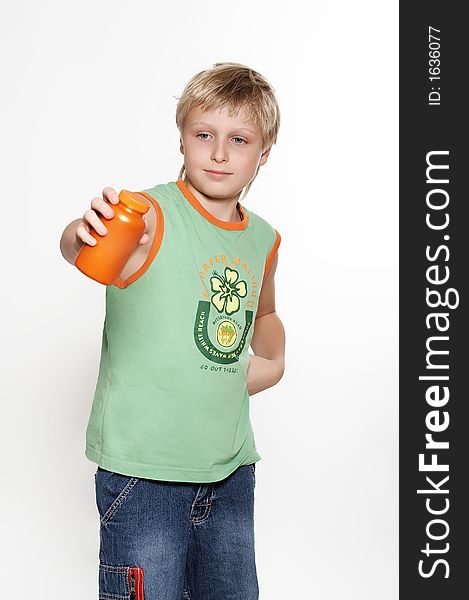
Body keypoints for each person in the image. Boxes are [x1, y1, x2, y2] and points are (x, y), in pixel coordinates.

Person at [60, 62, 285, 600]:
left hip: (230, 474)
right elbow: (79, 249)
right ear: (182, 138)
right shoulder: (150, 215)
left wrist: (271, 363)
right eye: (203, 135)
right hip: (145, 477)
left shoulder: (263, 240)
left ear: (264, 153)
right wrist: (82, 231)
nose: (220, 153)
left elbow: (264, 315)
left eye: (239, 139)